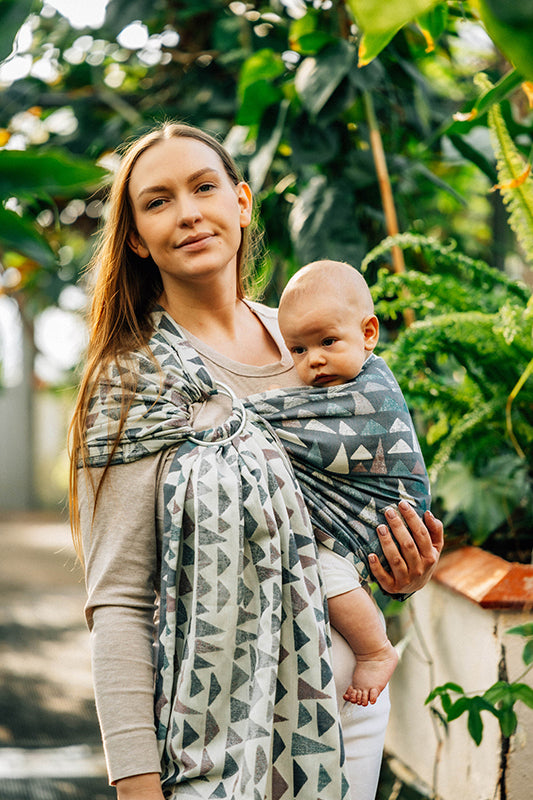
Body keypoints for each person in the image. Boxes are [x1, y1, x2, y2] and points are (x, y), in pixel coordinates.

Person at [69, 121, 443, 800]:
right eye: (158, 201)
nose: (188, 213)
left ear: (240, 203)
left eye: (203, 188)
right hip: (215, 744)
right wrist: (135, 783)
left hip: (349, 720)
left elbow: (360, 500)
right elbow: (119, 601)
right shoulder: (133, 383)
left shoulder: (313, 339)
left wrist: (402, 571)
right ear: (137, 238)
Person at [272, 258, 429, 707]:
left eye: (327, 341)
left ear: (369, 333)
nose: (314, 360)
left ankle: (375, 649)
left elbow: (318, 434)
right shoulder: (328, 380)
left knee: (324, 568)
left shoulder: (372, 389)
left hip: (382, 513)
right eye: (298, 350)